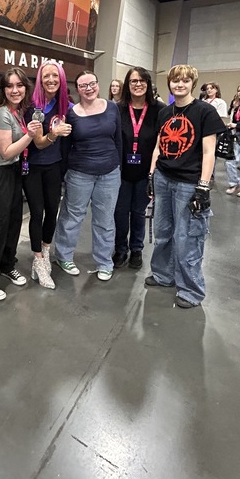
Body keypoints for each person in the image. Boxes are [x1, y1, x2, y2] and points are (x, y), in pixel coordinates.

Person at [145, 64, 224, 308]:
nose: (180, 84)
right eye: (175, 80)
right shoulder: (165, 112)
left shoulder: (205, 112)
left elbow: (209, 152)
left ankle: (191, 290)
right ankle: (163, 274)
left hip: (189, 183)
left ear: (192, 83)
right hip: (163, 178)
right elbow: (160, 145)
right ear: (169, 83)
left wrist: (203, 186)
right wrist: (151, 173)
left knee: (188, 237)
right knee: (163, 232)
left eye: (185, 81)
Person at [0, 68, 42, 300]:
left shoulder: (17, 112)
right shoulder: (1, 113)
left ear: (26, 88)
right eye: (10, 86)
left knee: (13, 223)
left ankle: (6, 265)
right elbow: (5, 152)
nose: (15, 90)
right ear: (3, 89)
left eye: (19, 85)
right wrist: (30, 135)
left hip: (13, 172)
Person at [54, 70, 122, 281]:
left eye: (92, 83)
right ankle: (63, 256)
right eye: (83, 85)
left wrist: (118, 165)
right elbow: (65, 146)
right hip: (79, 174)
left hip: (109, 173)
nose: (89, 88)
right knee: (72, 216)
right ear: (78, 90)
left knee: (105, 219)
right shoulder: (72, 114)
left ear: (98, 84)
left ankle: (104, 262)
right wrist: (64, 173)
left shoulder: (112, 108)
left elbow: (118, 138)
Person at [23, 60, 72, 289]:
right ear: (40, 80)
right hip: (33, 166)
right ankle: (39, 261)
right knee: (37, 212)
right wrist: (55, 133)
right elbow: (40, 144)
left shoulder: (65, 105)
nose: (51, 80)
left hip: (55, 167)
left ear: (61, 79)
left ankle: (45, 250)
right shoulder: (34, 107)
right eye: (46, 76)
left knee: (53, 211)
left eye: (55, 75)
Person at [113, 67, 164, 270]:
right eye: (133, 81)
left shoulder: (159, 110)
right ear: (128, 84)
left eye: (142, 80)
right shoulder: (117, 109)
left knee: (138, 212)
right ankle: (120, 249)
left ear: (148, 84)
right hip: (121, 172)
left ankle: (136, 249)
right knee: (120, 212)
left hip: (146, 172)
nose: (138, 84)